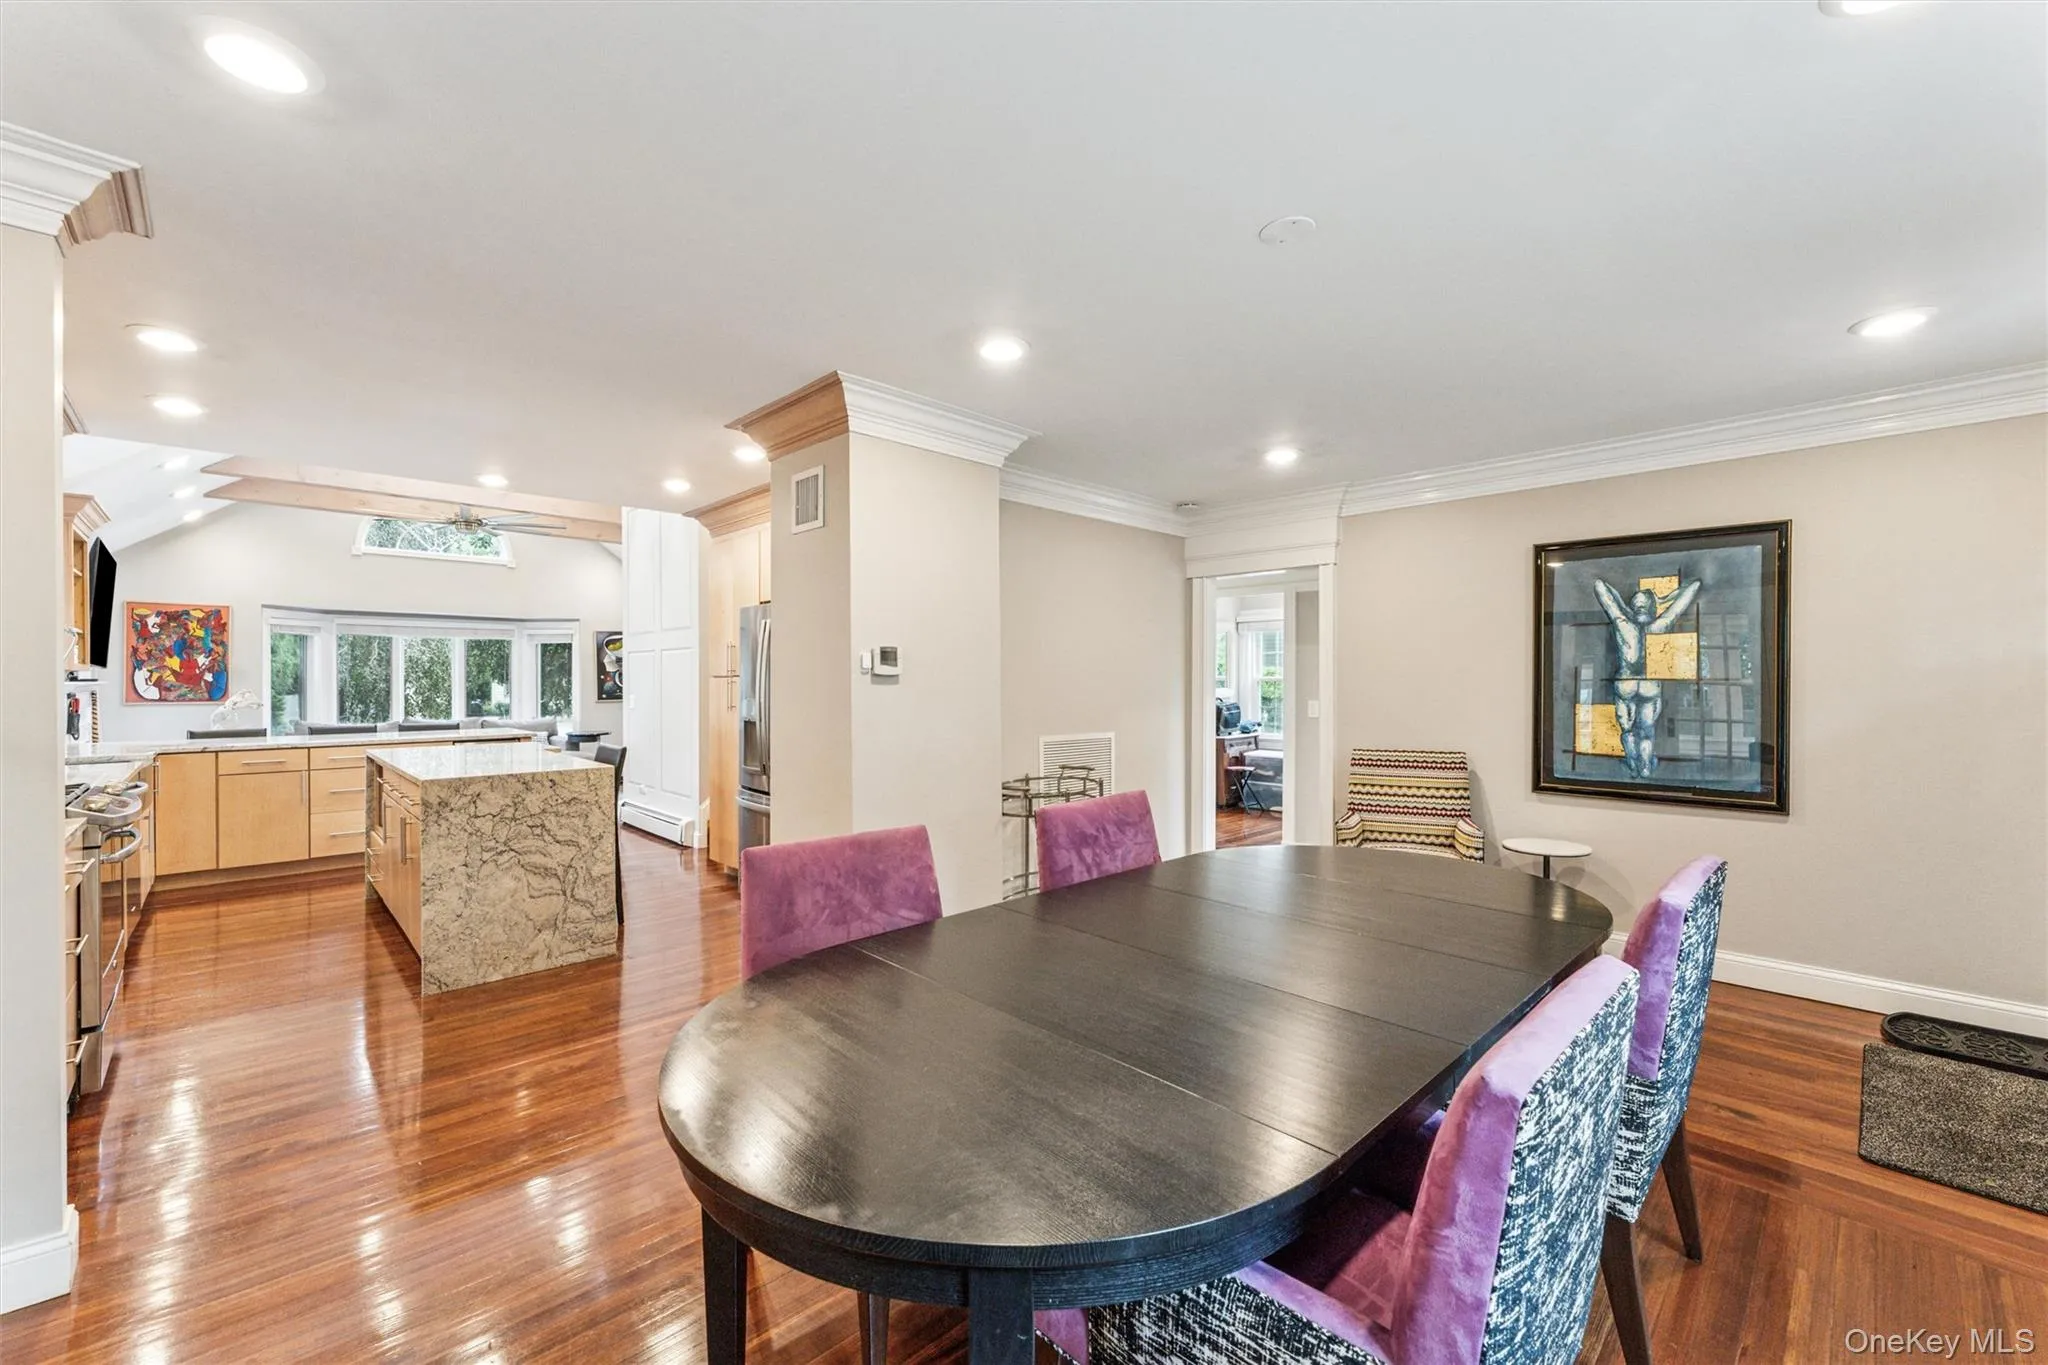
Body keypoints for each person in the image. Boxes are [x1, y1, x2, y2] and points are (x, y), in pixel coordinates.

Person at [1594, 576, 1701, 776]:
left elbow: (1599, 586)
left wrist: (1622, 605)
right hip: (1649, 685)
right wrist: (1664, 599)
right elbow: (1694, 587)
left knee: (1627, 729)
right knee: (1647, 732)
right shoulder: (1660, 625)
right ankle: (1644, 768)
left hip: (1625, 683)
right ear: (1651, 608)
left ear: (1633, 607)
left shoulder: (1622, 622)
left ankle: (1632, 765)